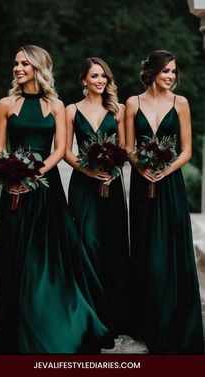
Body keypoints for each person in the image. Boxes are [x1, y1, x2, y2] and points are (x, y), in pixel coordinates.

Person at [0, 45, 110, 353]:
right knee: (17, 257)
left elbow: (59, 149)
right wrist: (10, 177)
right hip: (13, 190)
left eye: (25, 64)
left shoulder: (56, 105)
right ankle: (15, 328)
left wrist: (34, 173)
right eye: (15, 63)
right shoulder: (5, 104)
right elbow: (0, 150)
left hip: (45, 189)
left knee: (42, 260)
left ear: (39, 68)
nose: (18, 68)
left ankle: (47, 324)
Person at [125, 49, 204, 353]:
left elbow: (186, 150)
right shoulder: (133, 103)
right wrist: (143, 167)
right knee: (146, 246)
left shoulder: (180, 103)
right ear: (153, 72)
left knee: (170, 246)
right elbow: (129, 146)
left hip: (170, 184)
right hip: (142, 184)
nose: (171, 77)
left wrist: (164, 170)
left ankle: (174, 317)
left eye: (174, 72)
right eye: (166, 71)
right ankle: (147, 318)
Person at [65, 57, 130, 340]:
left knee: (112, 245)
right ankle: (88, 315)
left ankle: (112, 316)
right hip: (83, 183)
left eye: (104, 76)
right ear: (83, 81)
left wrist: (115, 170)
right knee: (86, 242)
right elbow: (66, 150)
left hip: (111, 184)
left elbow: (126, 146)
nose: (100, 81)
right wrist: (89, 171)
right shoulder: (71, 110)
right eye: (94, 76)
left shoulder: (119, 110)